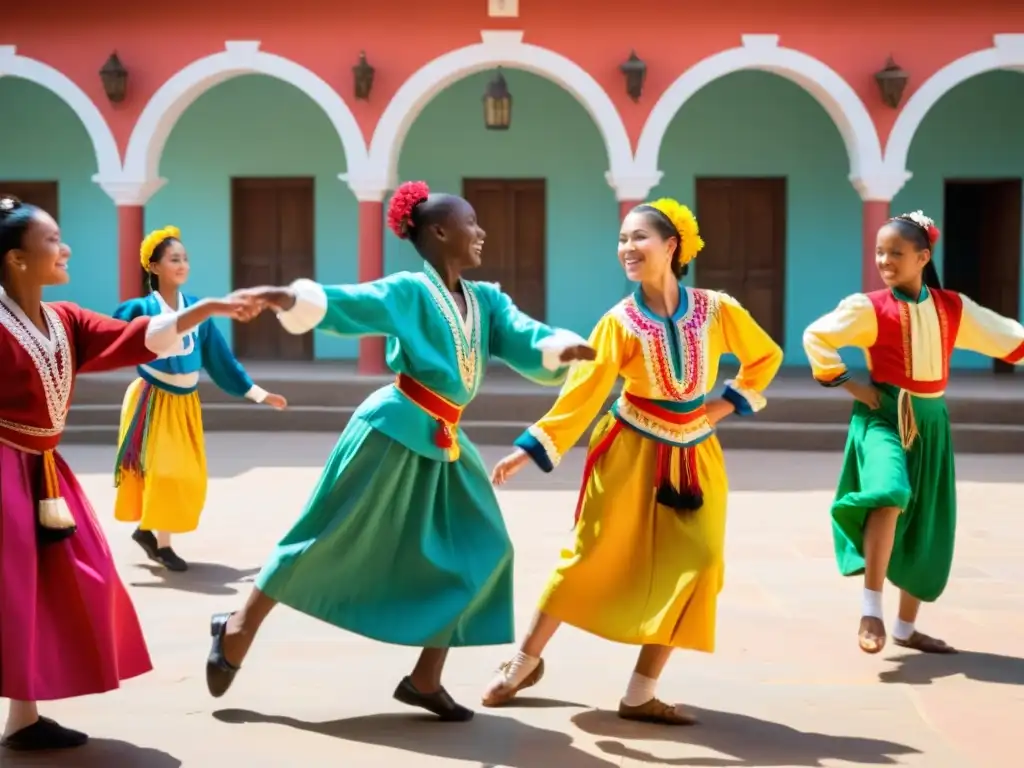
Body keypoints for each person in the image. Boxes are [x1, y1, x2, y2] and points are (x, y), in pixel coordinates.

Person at [203, 180, 596, 721]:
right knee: (324, 536)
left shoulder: (486, 301)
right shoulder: (411, 291)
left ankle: (424, 678)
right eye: (470, 223)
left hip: (447, 440)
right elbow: (356, 303)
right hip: (393, 428)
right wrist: (289, 297)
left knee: (486, 551)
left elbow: (523, 334)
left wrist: (557, 347)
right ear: (439, 231)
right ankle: (239, 626)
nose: (481, 232)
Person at [483, 198, 783, 724]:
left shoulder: (716, 309)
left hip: (695, 454)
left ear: (672, 247)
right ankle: (524, 661)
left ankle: (640, 692)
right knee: (588, 555)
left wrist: (724, 404)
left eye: (639, 237)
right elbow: (582, 393)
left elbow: (765, 356)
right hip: (629, 450)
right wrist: (529, 449)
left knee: (701, 564)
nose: (627, 248)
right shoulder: (619, 322)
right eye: (622, 239)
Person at [0, 195, 258, 752]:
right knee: (10, 590)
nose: (64, 248)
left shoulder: (62, 319)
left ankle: (21, 717)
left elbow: (136, 336)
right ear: (17, 259)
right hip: (2, 472)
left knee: (43, 589)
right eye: (51, 241)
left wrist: (207, 308)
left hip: (41, 474)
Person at [802, 210, 1024, 656]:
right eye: (880, 252)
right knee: (889, 491)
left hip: (931, 421)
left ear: (922, 257)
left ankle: (905, 628)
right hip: (883, 416)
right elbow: (816, 337)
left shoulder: (952, 308)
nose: (885, 260)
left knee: (927, 519)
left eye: (896, 253)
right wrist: (853, 386)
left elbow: (1009, 338)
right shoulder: (868, 307)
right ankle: (871, 608)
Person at [112, 225, 287, 572]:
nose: (182, 264)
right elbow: (112, 339)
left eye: (185, 259)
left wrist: (259, 393)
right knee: (163, 473)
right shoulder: (139, 308)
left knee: (187, 476)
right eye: (174, 258)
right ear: (154, 266)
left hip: (184, 403)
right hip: (152, 399)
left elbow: (221, 360)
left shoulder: (197, 311)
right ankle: (162, 544)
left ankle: (148, 531)